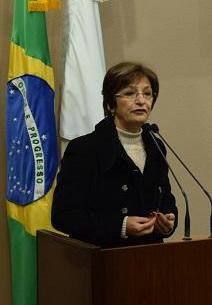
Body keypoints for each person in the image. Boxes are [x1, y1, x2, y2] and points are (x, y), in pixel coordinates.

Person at [51, 62, 177, 247]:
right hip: (105, 260)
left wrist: (167, 223)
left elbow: (166, 201)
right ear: (111, 103)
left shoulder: (156, 146)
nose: (141, 101)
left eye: (147, 93)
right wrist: (121, 225)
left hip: (151, 261)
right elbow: (64, 216)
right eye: (129, 93)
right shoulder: (85, 149)